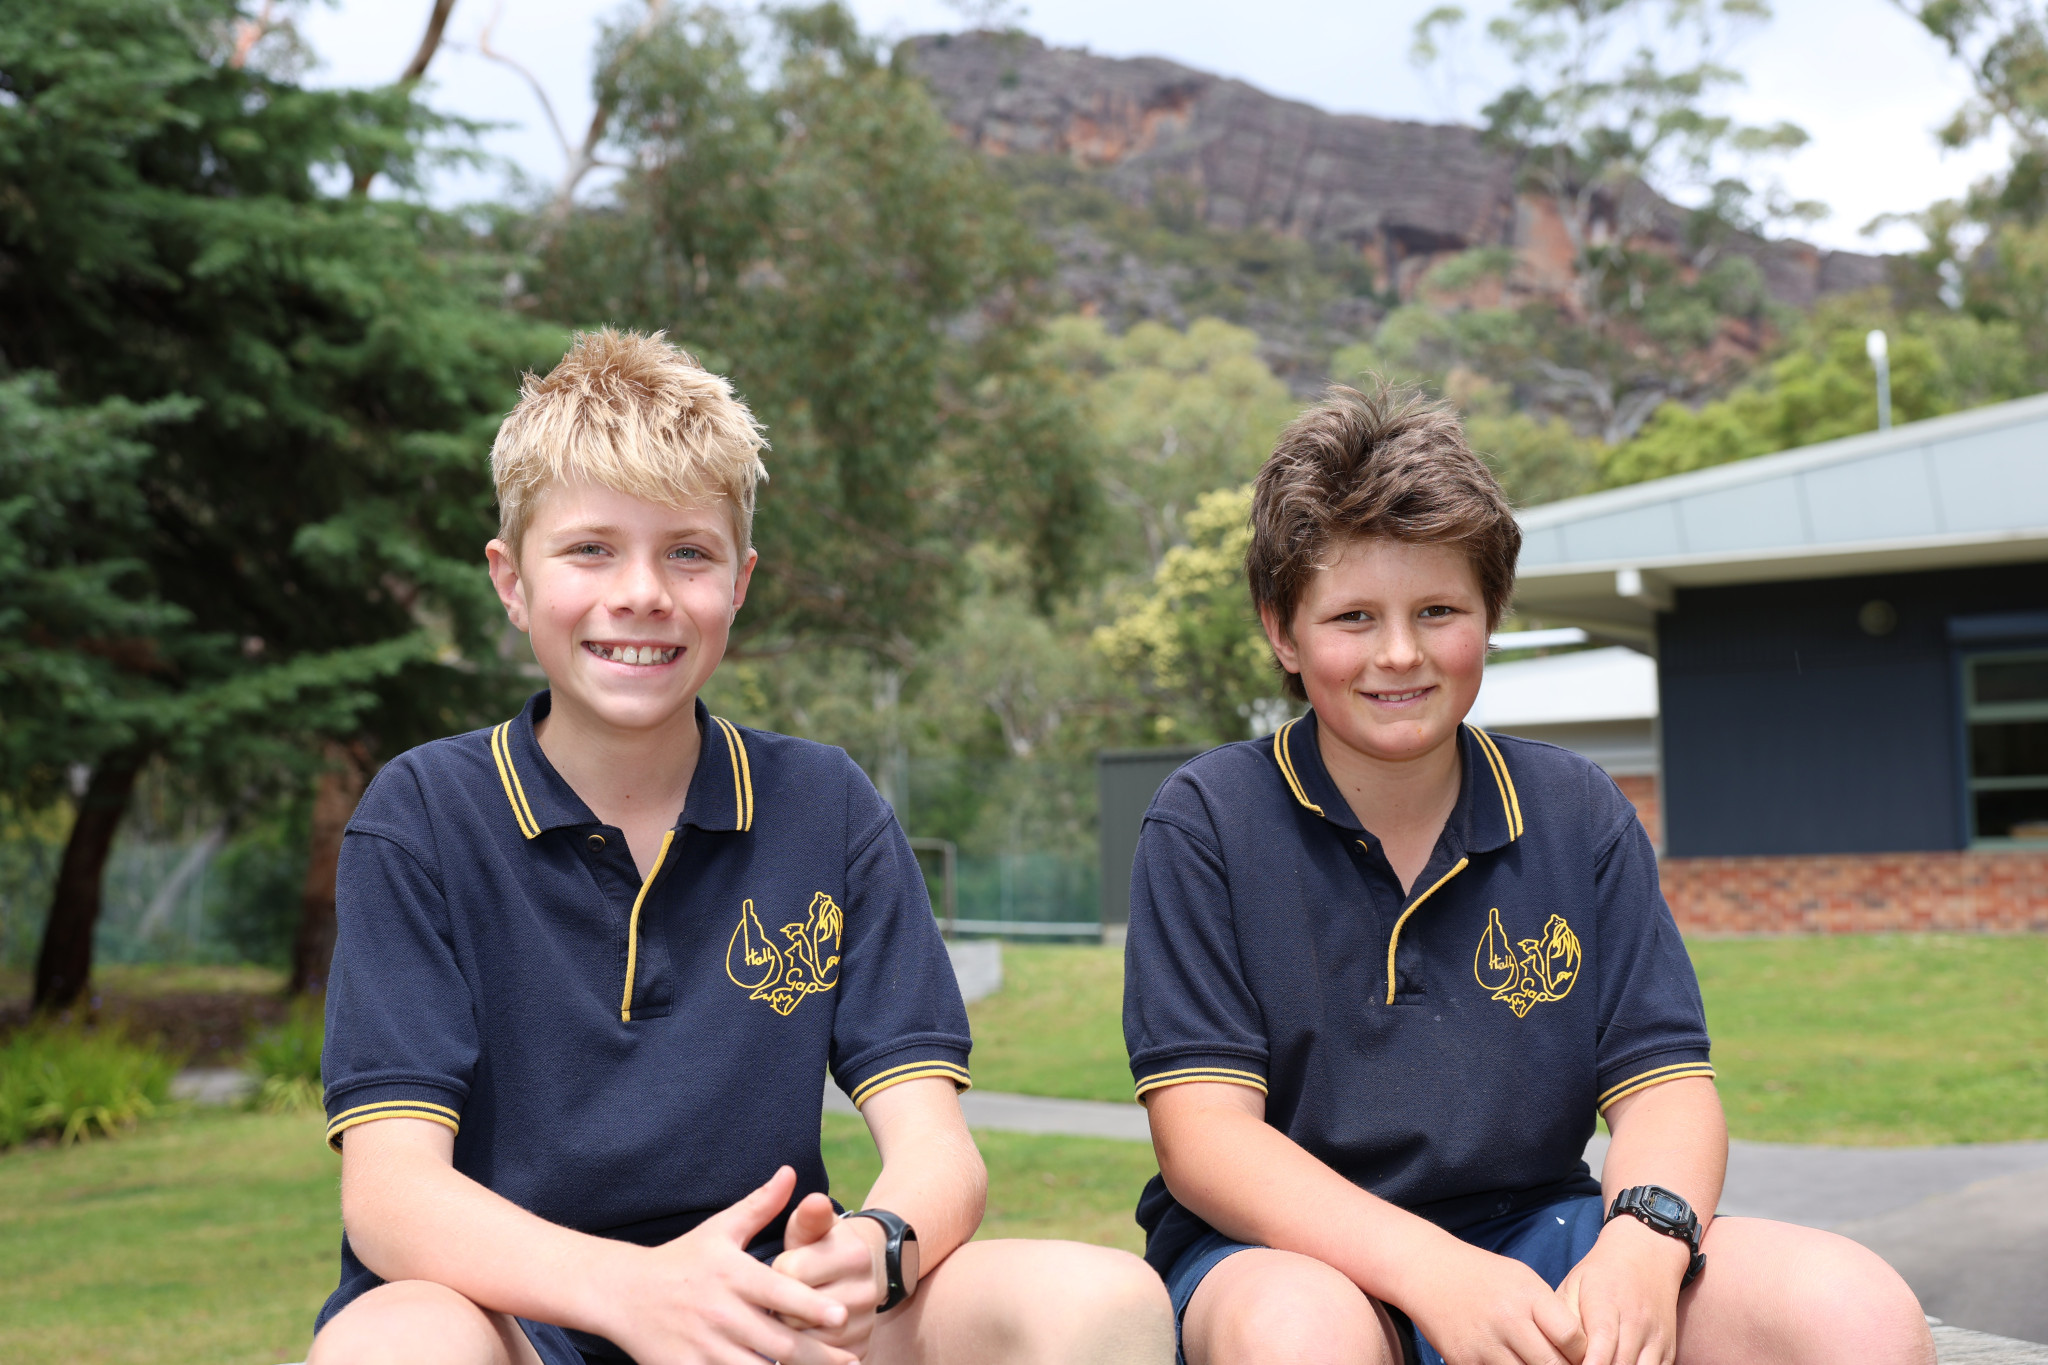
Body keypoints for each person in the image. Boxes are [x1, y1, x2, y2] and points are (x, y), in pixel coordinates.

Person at [306, 329, 1173, 1365]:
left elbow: (937, 1152)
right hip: (517, 1315)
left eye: (687, 551)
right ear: (509, 578)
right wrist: (638, 1292)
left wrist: (874, 1249)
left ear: (740, 579)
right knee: (395, 1347)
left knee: (1101, 1300)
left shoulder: (825, 805)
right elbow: (392, 1198)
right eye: (590, 549)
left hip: (772, 1314)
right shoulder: (424, 814)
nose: (641, 593)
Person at [1122, 382, 1936, 1365]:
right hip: (1285, 1258)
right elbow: (1204, 1142)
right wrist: (1432, 1275)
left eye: (1436, 610)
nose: (1397, 653)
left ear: (1491, 613)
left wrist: (1641, 1241)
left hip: (1542, 1234)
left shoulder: (1575, 811)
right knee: (1304, 1334)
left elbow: (1664, 1088)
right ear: (1280, 632)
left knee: (1852, 1308)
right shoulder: (1205, 820)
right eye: (1350, 617)